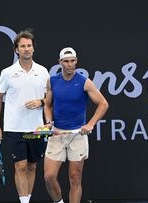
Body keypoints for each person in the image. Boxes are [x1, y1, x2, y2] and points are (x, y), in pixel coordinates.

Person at [42, 47, 109, 203]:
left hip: (78, 135)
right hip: (57, 134)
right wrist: (49, 122)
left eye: (72, 61)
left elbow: (103, 104)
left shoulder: (84, 82)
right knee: (49, 177)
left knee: (75, 178)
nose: (69, 65)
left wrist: (90, 124)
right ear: (60, 62)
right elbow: (47, 105)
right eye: (66, 61)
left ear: (76, 61)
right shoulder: (52, 81)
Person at [0, 29, 49, 203]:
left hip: (37, 128)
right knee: (21, 166)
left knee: (32, 166)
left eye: (29, 46)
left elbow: (50, 98)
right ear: (16, 50)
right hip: (14, 127)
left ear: (33, 49)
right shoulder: (7, 72)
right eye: (22, 46)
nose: (26, 49)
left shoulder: (43, 71)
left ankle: (27, 200)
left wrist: (41, 101)